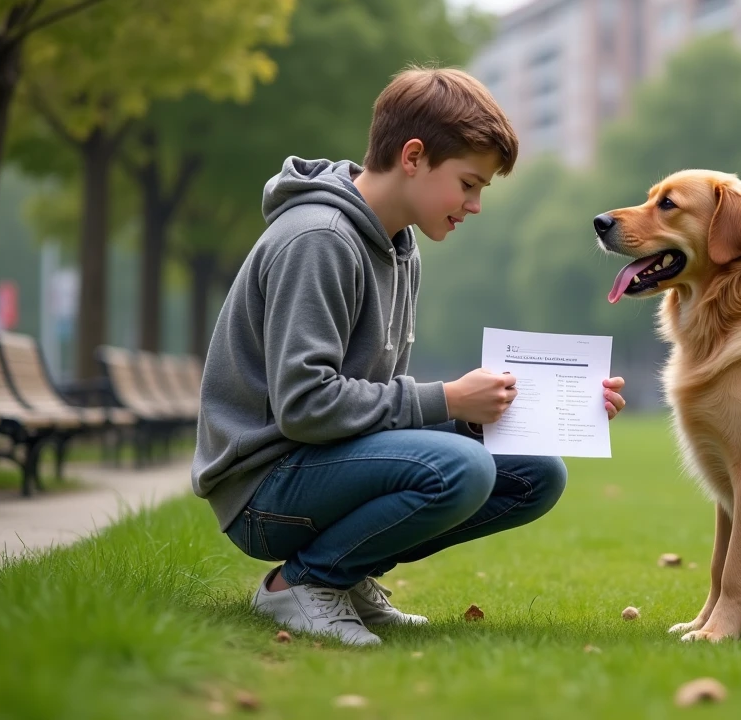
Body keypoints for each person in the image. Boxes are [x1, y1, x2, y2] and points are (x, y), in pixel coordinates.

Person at [191, 67, 628, 646]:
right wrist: (446, 398)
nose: (474, 205)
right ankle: (302, 584)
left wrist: (512, 409)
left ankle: (346, 577)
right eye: (469, 183)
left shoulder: (400, 249)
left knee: (536, 473)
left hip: (323, 462)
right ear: (414, 157)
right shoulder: (319, 239)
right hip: (262, 490)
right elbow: (305, 406)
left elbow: (375, 406)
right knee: (463, 468)